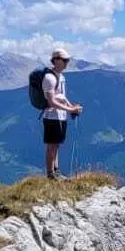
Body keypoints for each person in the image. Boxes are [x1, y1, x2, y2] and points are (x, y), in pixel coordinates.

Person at [40, 49, 83, 180]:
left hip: (60, 116)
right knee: (52, 145)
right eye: (65, 60)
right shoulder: (49, 78)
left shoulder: (61, 77)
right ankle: (50, 174)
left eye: (67, 61)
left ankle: (56, 172)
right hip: (51, 117)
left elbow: (62, 97)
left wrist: (72, 107)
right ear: (56, 60)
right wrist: (70, 110)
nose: (66, 63)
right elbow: (52, 102)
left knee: (56, 144)